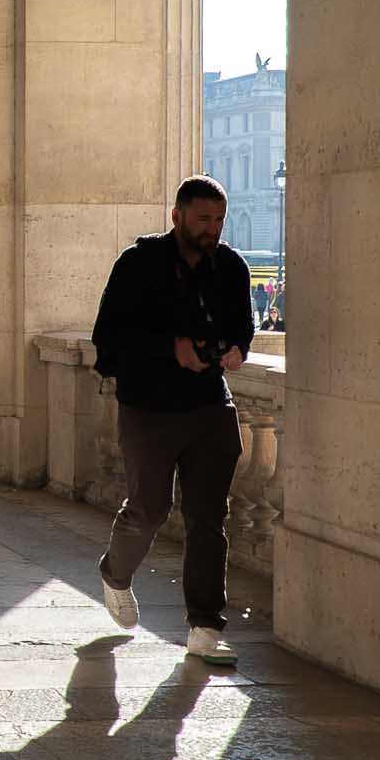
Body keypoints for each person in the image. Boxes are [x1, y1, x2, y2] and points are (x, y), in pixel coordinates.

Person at [90, 174, 255, 667]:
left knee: (210, 518)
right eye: (204, 219)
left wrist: (236, 350)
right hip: (149, 408)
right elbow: (107, 339)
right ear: (177, 216)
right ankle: (115, 574)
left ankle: (205, 627)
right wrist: (170, 347)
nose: (213, 229)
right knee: (150, 509)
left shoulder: (230, 266)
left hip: (210, 404)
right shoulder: (137, 264)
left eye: (220, 220)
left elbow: (244, 325)